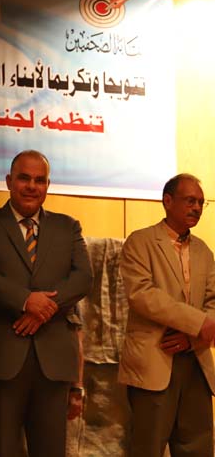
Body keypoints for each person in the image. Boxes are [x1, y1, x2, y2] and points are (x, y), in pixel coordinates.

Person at [0, 150, 91, 457]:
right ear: (9, 181)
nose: (32, 186)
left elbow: (83, 278)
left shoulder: (68, 227)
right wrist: (24, 300)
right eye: (24, 178)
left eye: (39, 180)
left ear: (48, 185)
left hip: (53, 361)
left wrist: (43, 309)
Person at [118, 173, 215, 457]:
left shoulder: (204, 251)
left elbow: (213, 302)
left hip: (196, 361)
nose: (196, 208)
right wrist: (198, 324)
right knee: (147, 448)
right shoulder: (140, 241)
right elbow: (142, 295)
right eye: (190, 200)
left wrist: (192, 337)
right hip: (153, 360)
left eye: (201, 202)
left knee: (198, 448)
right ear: (168, 201)